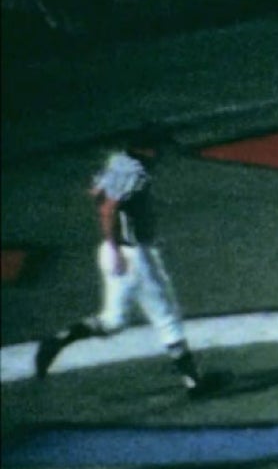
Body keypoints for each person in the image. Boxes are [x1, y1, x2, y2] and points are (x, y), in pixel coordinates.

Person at [34, 130, 209, 397]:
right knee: (166, 317)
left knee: (113, 320)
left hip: (114, 251)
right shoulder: (135, 172)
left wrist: (113, 245)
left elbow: (95, 191)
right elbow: (107, 208)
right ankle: (194, 384)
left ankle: (59, 339)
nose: (160, 154)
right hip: (133, 255)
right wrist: (117, 248)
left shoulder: (118, 161)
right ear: (147, 148)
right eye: (157, 148)